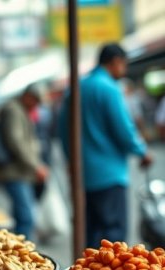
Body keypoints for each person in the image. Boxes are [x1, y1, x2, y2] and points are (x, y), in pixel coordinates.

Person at [59, 43, 152, 248]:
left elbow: (63, 132)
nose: (124, 70)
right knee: (114, 236)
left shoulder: (74, 88)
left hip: (83, 175)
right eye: (123, 65)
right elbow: (123, 129)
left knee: (91, 234)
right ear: (116, 62)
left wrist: (71, 161)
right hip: (109, 176)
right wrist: (142, 151)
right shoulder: (109, 88)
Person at [0, 85, 49, 240]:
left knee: (21, 214)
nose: (36, 105)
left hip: (19, 171)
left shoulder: (18, 109)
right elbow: (16, 141)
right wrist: (36, 166)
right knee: (26, 217)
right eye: (35, 100)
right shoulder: (14, 110)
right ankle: (21, 253)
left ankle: (16, 251)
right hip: (14, 171)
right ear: (28, 96)